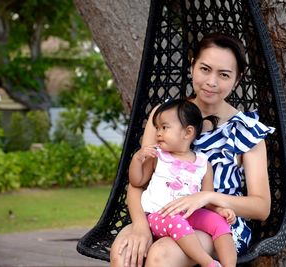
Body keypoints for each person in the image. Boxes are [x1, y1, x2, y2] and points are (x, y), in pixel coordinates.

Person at [110, 32, 275, 267]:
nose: (211, 82)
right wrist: (140, 226)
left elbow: (261, 207)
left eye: (224, 75)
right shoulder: (164, 117)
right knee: (123, 251)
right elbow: (138, 184)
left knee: (161, 255)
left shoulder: (247, 131)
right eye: (205, 69)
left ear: (237, 80)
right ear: (192, 66)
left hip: (217, 225)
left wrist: (206, 197)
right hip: (159, 215)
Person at [129, 98, 237, 267]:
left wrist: (220, 210)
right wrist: (137, 159)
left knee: (219, 223)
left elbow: (207, 201)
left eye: (164, 128)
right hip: (160, 215)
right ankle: (208, 263)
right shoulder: (158, 156)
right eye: (157, 128)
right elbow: (137, 180)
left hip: (190, 214)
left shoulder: (203, 164)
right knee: (176, 222)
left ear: (187, 133)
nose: (158, 133)